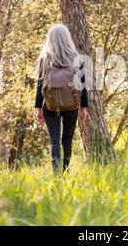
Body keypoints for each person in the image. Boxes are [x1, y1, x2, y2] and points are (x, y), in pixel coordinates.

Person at [35, 24, 88, 171]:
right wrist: (84, 107)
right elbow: (83, 85)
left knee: (54, 140)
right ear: (67, 38)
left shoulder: (44, 59)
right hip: (71, 104)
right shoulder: (76, 57)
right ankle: (65, 170)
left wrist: (38, 108)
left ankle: (56, 173)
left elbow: (40, 85)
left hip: (50, 105)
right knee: (67, 141)